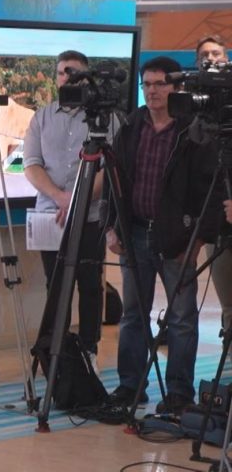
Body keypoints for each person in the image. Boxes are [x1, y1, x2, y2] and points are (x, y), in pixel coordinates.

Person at [104, 56, 219, 416]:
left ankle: (179, 393)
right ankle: (130, 386)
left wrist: (197, 241)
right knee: (133, 314)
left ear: (176, 88)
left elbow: (209, 190)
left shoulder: (193, 132)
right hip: (134, 233)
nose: (152, 91)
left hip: (178, 239)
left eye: (160, 84)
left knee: (182, 318)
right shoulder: (131, 126)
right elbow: (114, 181)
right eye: (147, 84)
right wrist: (112, 226)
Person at [23, 50, 106, 368]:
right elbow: (31, 165)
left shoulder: (104, 118)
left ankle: (89, 352)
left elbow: (108, 169)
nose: (66, 78)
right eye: (61, 72)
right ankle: (55, 353)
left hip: (91, 217)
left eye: (72, 72)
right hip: (51, 218)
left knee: (90, 284)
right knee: (56, 287)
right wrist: (61, 197)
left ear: (86, 78)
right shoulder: (41, 117)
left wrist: (77, 201)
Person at [194, 35, 232, 332]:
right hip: (215, 217)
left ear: (227, 58)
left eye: (216, 53)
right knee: (229, 305)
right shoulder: (195, 103)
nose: (211, 59)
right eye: (204, 55)